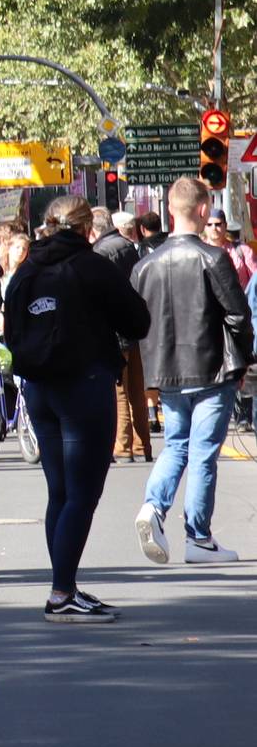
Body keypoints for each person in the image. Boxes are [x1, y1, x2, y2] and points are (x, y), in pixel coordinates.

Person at [7, 196, 151, 622]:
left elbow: (12, 330)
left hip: (39, 389)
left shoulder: (26, 270)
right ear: (88, 228)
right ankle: (61, 592)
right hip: (83, 386)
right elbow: (136, 321)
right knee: (82, 495)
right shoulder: (91, 267)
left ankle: (64, 585)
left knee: (60, 492)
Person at [130, 174, 250, 567]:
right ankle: (198, 536)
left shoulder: (146, 264)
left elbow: (136, 322)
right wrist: (244, 361)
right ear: (202, 210)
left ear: (169, 210)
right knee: (201, 454)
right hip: (211, 369)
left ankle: (154, 506)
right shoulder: (213, 258)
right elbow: (237, 314)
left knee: (177, 445)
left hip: (166, 371)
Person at [94, 211, 152, 463]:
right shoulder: (128, 246)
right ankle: (143, 445)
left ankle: (123, 445)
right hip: (133, 324)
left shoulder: (100, 252)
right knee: (137, 390)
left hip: (114, 329)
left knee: (119, 391)